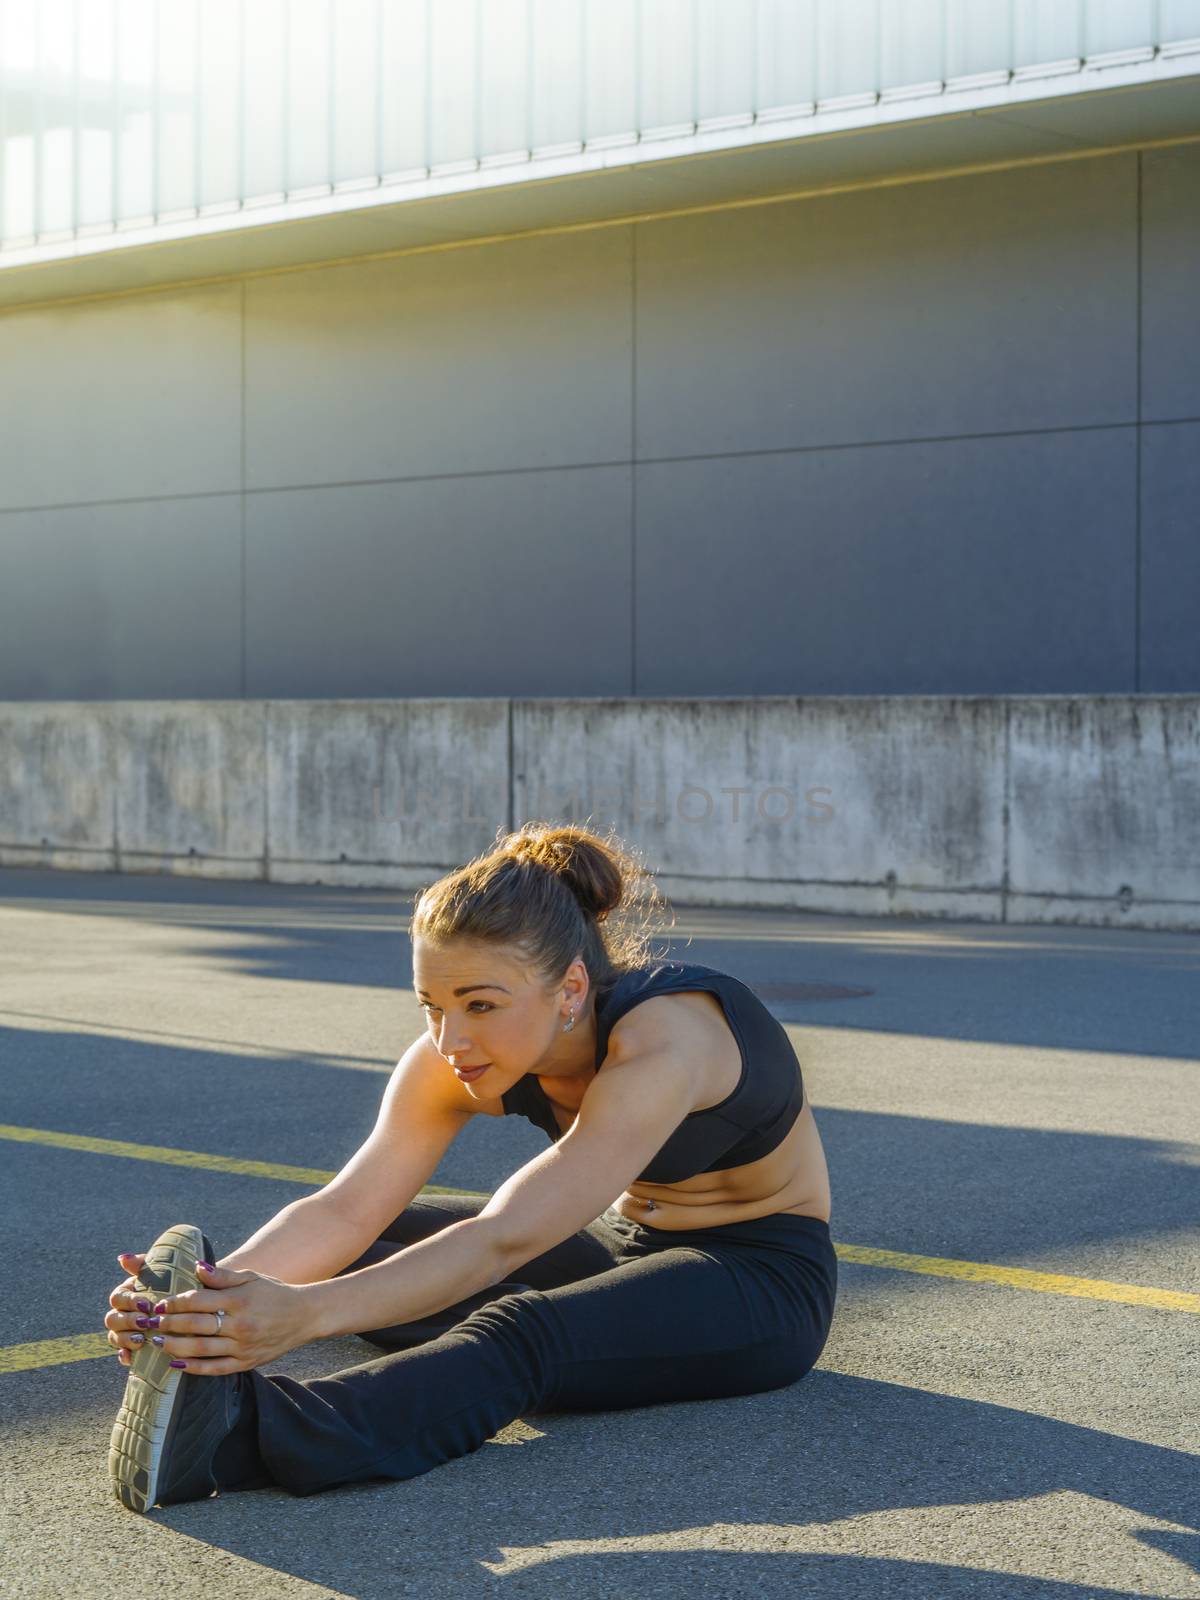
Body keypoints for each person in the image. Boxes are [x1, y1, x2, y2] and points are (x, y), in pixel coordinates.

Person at [105, 820, 837, 1510]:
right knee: (375, 1244)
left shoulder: (668, 1040)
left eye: (481, 1005)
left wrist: (304, 1315)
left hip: (757, 1279)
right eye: (432, 1005)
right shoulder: (452, 1054)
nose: (451, 1039)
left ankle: (240, 1440)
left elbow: (505, 1237)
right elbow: (348, 1207)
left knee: (523, 1331)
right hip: (618, 1248)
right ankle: (209, 1362)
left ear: (571, 990)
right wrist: (207, 1308)